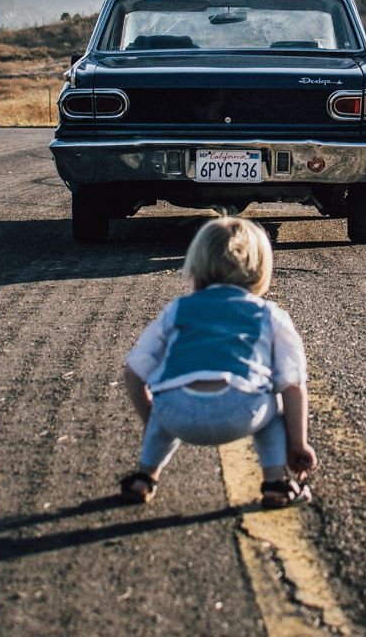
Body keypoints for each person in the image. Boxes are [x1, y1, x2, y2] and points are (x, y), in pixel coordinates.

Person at [120, 216, 317, 507]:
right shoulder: (270, 316)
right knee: (274, 405)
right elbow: (293, 384)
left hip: (177, 416)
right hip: (242, 411)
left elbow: (134, 372)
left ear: (196, 265)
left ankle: (144, 477)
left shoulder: (177, 310)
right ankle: (275, 482)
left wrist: (154, 420)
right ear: (260, 268)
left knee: (166, 394)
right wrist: (298, 444)